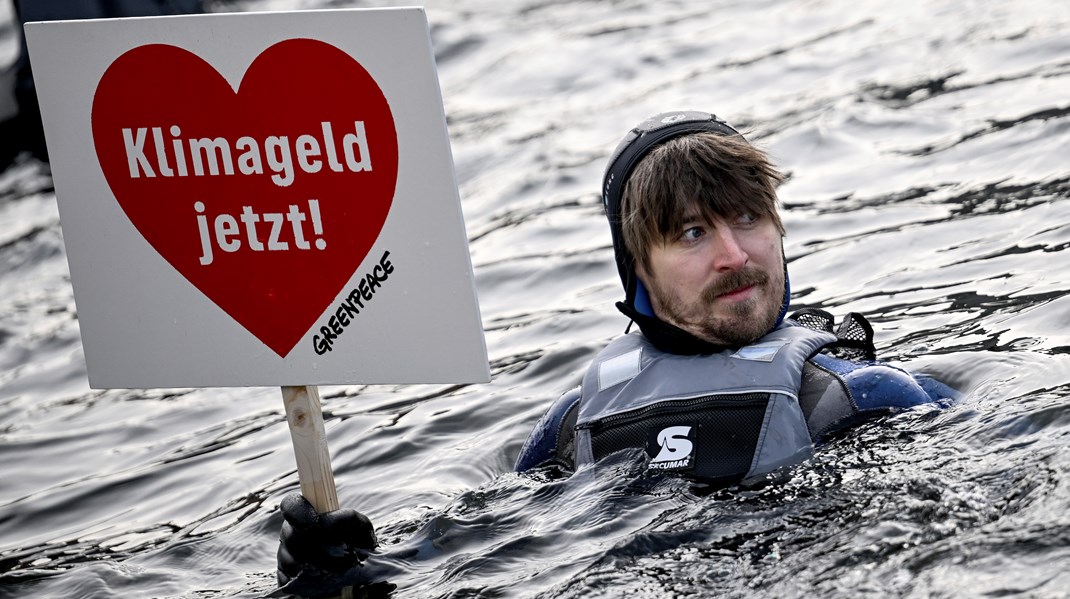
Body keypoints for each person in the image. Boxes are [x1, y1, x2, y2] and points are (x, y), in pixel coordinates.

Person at [274, 111, 959, 596]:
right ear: (638, 273)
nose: (733, 253)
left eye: (749, 218)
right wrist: (342, 567)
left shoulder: (857, 396)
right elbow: (476, 551)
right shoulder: (574, 429)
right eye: (692, 232)